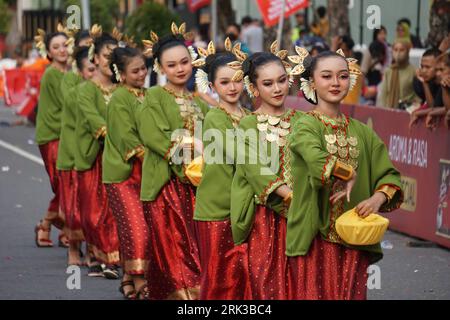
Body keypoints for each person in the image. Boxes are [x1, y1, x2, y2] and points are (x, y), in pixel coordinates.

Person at [287, 50, 404, 299]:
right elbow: (315, 156)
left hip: (354, 237)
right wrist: (346, 172)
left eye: (342, 76)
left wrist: (377, 199)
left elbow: (389, 175)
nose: (335, 83)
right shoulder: (305, 125)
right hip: (316, 236)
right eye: (326, 76)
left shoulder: (363, 132)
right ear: (311, 83)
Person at [136, 23, 209, 300]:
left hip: (196, 186)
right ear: (160, 68)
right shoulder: (154, 96)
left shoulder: (198, 101)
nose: (180, 69)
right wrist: (191, 145)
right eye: (171, 64)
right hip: (166, 184)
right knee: (173, 247)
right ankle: (185, 297)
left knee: (191, 246)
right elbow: (154, 136)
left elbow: (212, 139)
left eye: (184, 62)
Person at [230, 49, 302, 300]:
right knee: (265, 282)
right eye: (268, 83)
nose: (277, 88)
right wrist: (289, 195)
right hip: (265, 216)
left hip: (301, 216)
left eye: (282, 80)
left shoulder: (303, 121)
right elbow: (255, 169)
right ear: (255, 88)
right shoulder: (249, 124)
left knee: (298, 281)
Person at [193, 42, 251, 299]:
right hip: (217, 208)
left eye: (237, 80)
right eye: (224, 82)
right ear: (213, 86)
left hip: (245, 208)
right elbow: (241, 156)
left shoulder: (250, 116)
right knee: (218, 280)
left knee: (240, 277)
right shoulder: (216, 117)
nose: (232, 87)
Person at [103, 45, 150, 299]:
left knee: (144, 228)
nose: (142, 73)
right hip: (124, 173)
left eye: (144, 68)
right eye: (135, 70)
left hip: (146, 173)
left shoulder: (147, 94)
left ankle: (127, 278)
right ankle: (139, 279)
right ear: (121, 73)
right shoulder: (121, 97)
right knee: (136, 228)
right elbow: (126, 138)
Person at [74, 25, 120, 279]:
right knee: (93, 212)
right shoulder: (86, 89)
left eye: (115, 55)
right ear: (95, 58)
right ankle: (97, 255)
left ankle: (110, 259)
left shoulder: (121, 89)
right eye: (106, 55)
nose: (110, 60)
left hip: (117, 158)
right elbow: (94, 122)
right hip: (93, 156)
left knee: (114, 209)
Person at [56, 31, 94, 266]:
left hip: (93, 157)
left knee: (93, 209)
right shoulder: (74, 89)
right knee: (74, 208)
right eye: (90, 69)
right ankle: (73, 249)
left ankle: (93, 250)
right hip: (73, 156)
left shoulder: (104, 89)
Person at [33, 27, 70, 248]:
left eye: (65, 45)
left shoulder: (68, 73)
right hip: (53, 136)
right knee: (65, 185)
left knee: (70, 185)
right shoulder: (53, 74)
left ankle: (66, 231)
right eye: (55, 47)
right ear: (48, 52)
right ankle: (45, 224)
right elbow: (69, 104)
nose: (62, 50)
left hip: (67, 137)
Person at [378, 40, 419, 109]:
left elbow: (418, 96)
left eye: (402, 50)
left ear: (408, 52)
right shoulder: (388, 71)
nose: (398, 53)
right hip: (389, 111)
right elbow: (383, 95)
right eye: (395, 50)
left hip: (408, 112)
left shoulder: (414, 71)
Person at [409, 48, 444, 127]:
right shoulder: (420, 81)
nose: (423, 70)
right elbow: (429, 104)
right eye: (422, 66)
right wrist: (424, 83)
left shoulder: (444, 82)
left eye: (428, 67)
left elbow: (434, 107)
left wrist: (418, 112)